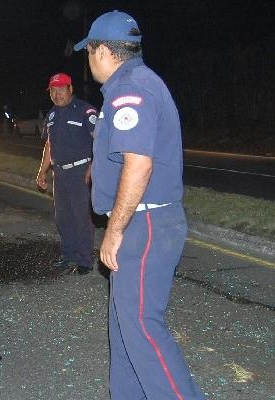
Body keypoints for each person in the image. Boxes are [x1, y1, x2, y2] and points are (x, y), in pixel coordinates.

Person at [73, 10, 205, 399]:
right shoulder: (128, 86)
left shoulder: (132, 89)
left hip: (144, 226)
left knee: (143, 328)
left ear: (102, 52)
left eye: (89, 51)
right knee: (124, 328)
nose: (88, 58)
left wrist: (114, 232)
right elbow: (125, 155)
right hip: (141, 221)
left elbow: (139, 163)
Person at [36, 73, 98, 275]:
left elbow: (100, 139)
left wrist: (93, 166)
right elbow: (49, 145)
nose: (57, 94)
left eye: (61, 89)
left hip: (81, 171)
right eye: (53, 90)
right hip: (60, 173)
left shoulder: (84, 111)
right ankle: (69, 254)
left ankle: (84, 260)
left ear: (70, 89)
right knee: (63, 218)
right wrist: (42, 172)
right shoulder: (52, 115)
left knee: (81, 217)